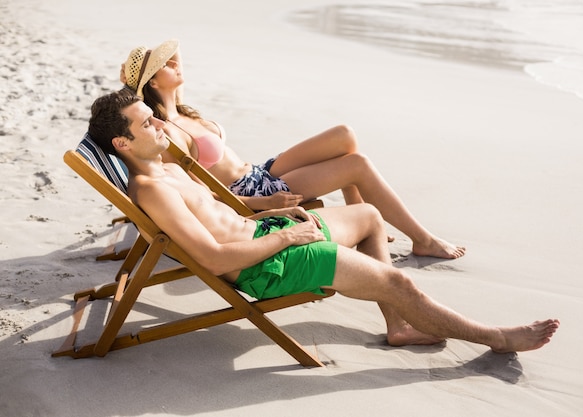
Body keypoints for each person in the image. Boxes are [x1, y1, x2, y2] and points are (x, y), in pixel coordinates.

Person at [86, 89, 559, 353]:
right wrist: (290, 234)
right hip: (266, 267)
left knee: (371, 216)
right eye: (147, 123)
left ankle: (399, 327)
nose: (160, 126)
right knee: (399, 282)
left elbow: (220, 209)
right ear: (123, 145)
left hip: (270, 234)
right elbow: (212, 256)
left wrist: (269, 210)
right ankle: (496, 338)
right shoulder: (151, 188)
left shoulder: (169, 167)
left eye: (155, 117)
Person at [119, 39, 466, 259]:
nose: (177, 65)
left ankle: (361, 215)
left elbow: (176, 49)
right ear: (152, 82)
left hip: (261, 171)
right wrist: (259, 205)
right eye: (166, 66)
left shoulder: (181, 110)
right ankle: (422, 239)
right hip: (252, 191)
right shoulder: (167, 133)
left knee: (344, 135)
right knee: (356, 163)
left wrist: (154, 62)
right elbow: (200, 196)